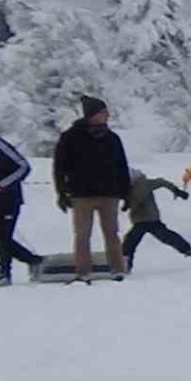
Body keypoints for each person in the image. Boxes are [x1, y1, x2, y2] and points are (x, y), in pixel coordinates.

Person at [53, 95, 131, 283]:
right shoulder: (70, 137)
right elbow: (59, 167)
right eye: (103, 112)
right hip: (81, 195)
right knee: (82, 235)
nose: (107, 115)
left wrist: (126, 192)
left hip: (109, 194)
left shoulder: (112, 138)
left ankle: (117, 269)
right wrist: (61, 192)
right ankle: (83, 271)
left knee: (112, 233)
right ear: (92, 114)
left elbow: (122, 166)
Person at [0, 125, 42, 286]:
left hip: (7, 199)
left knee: (2, 235)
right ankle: (32, 260)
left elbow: (23, 166)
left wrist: (2, 184)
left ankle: (5, 272)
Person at [123, 169, 191, 269]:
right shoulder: (131, 185)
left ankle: (124, 261)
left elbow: (160, 182)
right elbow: (161, 182)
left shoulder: (143, 184)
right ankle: (188, 249)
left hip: (147, 218)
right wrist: (176, 190)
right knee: (165, 236)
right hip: (147, 218)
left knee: (131, 240)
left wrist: (176, 190)